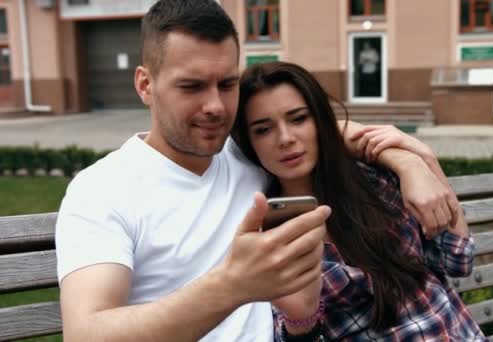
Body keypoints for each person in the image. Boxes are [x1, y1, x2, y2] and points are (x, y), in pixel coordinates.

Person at [55, 1, 458, 341]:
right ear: (145, 85)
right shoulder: (102, 190)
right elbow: (86, 332)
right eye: (192, 87)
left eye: (227, 84)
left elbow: (323, 131)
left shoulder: (245, 150)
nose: (215, 106)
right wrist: (232, 286)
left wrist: (409, 164)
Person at [232, 61, 487, 341]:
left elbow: (458, 259)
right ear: (249, 142)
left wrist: (424, 160)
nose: (285, 139)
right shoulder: (266, 231)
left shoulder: (374, 180)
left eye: (298, 118)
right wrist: (301, 320)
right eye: (263, 129)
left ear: (320, 120)